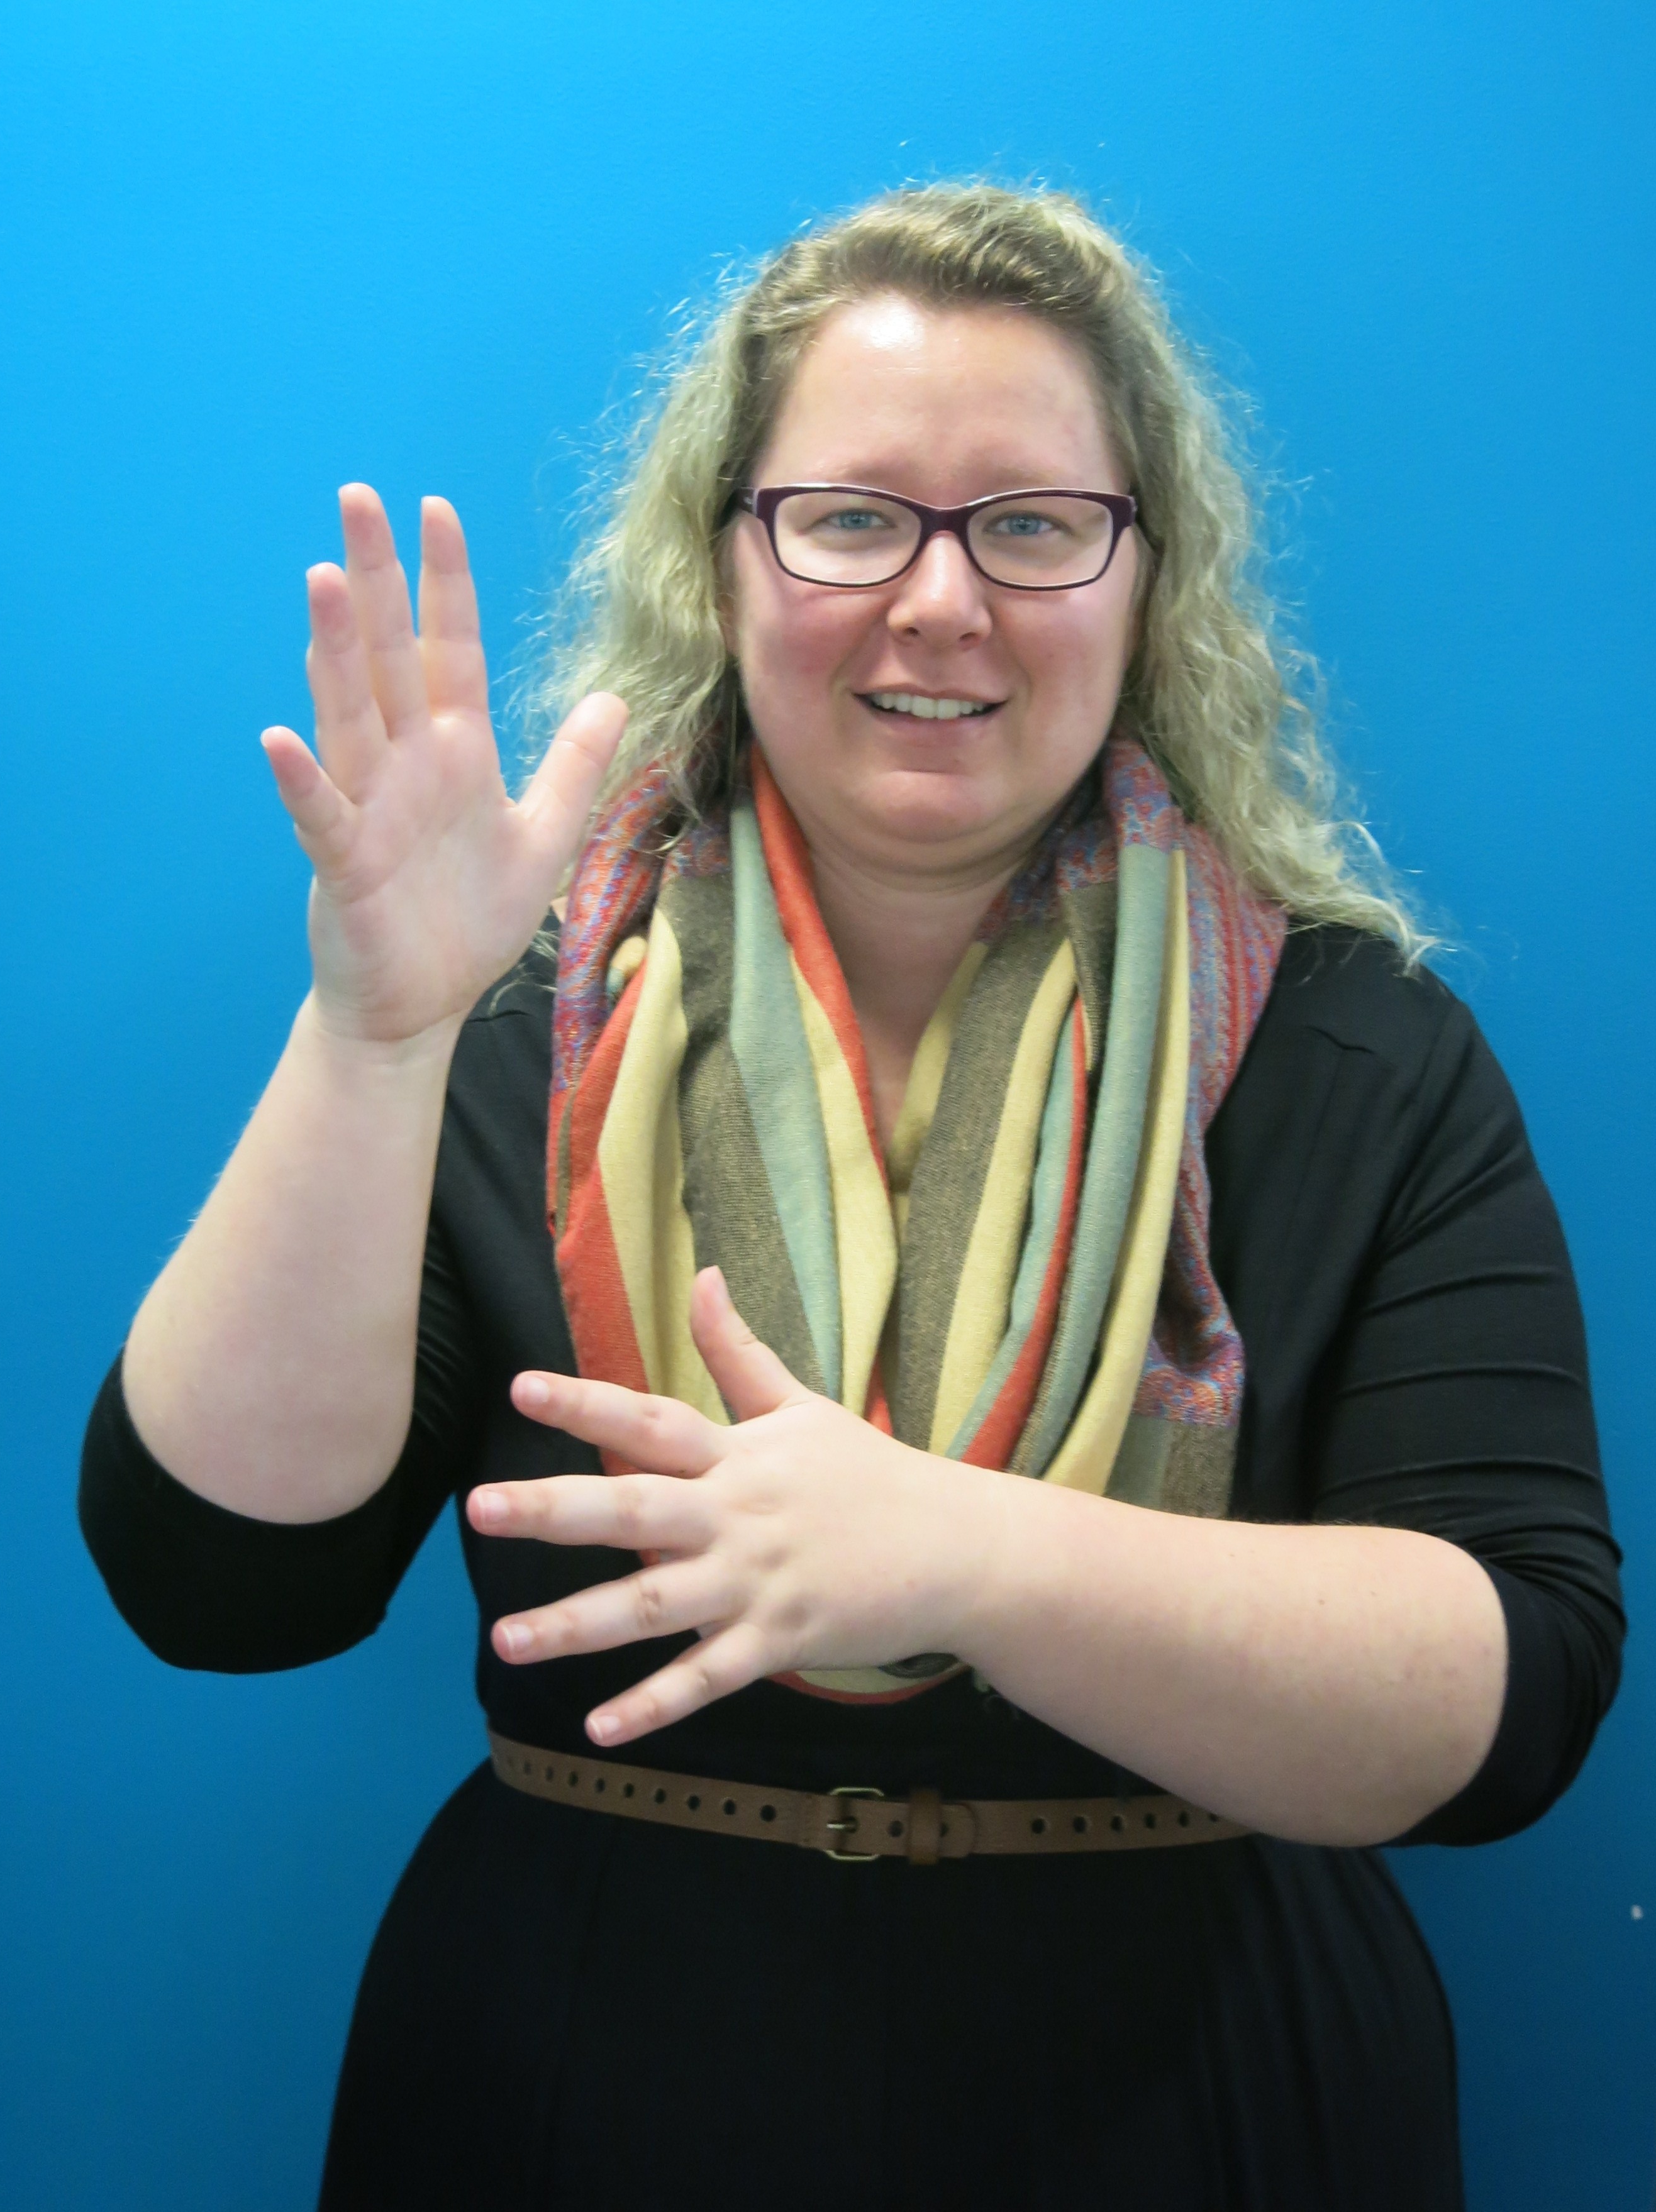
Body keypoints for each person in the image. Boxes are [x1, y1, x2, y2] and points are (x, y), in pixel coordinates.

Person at [79, 184, 1621, 2209]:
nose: (941, 601)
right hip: (575, 2077)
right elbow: (220, 1590)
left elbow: (1516, 1701)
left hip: (1205, 2092)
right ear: (723, 559)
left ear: (1145, 577)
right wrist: (374, 1037)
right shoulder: (515, 1020)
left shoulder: (1357, 1046)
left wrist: (965, 1558)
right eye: (851, 518)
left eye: (1033, 526)